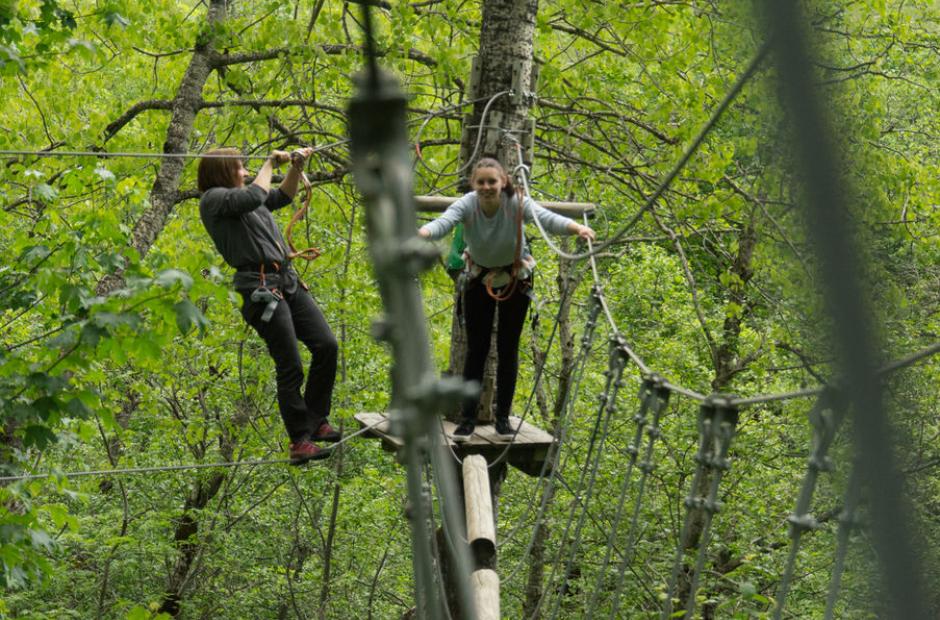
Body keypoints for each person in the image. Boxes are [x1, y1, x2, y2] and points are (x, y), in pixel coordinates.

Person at [418, 157, 595, 442]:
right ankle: (467, 418)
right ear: (474, 184)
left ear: (503, 183)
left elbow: (547, 218)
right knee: (477, 349)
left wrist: (578, 229)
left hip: (515, 278)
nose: (487, 187)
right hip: (479, 278)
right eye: (481, 182)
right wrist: (421, 233)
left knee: (507, 348)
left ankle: (502, 418)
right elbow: (444, 222)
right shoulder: (467, 204)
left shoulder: (517, 203)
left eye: (492, 181)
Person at [198, 147, 340, 463]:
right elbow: (253, 195)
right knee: (290, 364)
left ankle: (316, 420)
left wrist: (295, 167)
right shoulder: (214, 200)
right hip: (258, 287)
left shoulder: (249, 199)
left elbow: (283, 196)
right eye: (240, 167)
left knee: (326, 345)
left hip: (286, 281)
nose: (246, 171)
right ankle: (299, 440)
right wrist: (269, 163)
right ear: (224, 171)